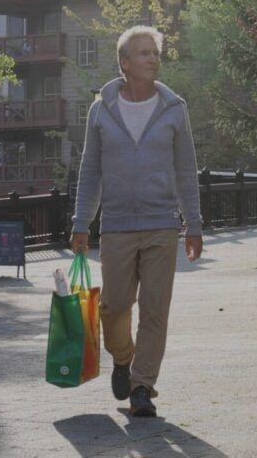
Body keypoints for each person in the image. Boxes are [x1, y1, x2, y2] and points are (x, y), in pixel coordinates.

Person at [70, 25, 203, 417]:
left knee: (155, 309)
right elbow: (89, 170)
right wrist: (81, 221)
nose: (152, 59)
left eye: (155, 52)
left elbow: (186, 169)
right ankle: (123, 359)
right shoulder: (102, 109)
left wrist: (193, 223)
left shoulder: (174, 108)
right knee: (113, 307)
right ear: (124, 63)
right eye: (143, 53)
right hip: (116, 225)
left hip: (162, 223)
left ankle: (142, 386)